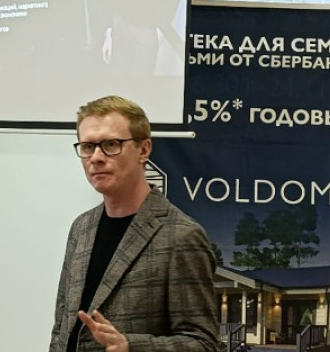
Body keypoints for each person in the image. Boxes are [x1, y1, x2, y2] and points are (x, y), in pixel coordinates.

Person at [49, 96, 219, 352]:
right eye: (88, 147)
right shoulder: (81, 228)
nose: (96, 157)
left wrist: (131, 347)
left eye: (111, 144)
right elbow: (61, 329)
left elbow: (203, 344)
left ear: (144, 150)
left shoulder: (182, 236)